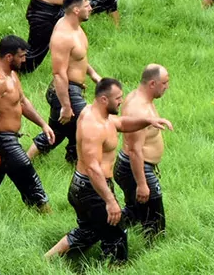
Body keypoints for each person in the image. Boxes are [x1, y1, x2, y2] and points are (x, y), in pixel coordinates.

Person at [45, 78, 172, 265]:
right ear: (104, 99)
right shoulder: (93, 125)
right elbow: (92, 167)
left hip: (85, 187)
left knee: (88, 231)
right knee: (116, 238)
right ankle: (113, 268)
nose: (121, 101)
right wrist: (111, 201)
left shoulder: (102, 115)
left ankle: (46, 260)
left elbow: (121, 123)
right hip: (91, 189)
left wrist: (148, 120)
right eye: (118, 98)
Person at [0, 36, 54, 216]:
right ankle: (46, 213)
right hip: (1, 140)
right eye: (21, 56)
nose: (24, 60)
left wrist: (43, 124)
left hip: (8, 139)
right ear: (9, 57)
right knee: (28, 173)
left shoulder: (12, 75)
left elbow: (22, 102)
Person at [28, 0, 102, 164]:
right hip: (65, 92)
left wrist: (93, 75)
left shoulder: (75, 26)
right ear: (76, 10)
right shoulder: (63, 36)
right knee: (89, 125)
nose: (91, 8)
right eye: (87, 6)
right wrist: (66, 106)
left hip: (72, 89)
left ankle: (26, 161)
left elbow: (78, 58)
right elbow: (59, 73)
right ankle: (78, 163)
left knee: (58, 132)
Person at [114, 64, 170, 238]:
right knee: (155, 221)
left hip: (133, 167)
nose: (167, 87)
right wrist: (142, 184)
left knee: (136, 212)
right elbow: (135, 150)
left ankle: (107, 230)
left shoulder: (140, 98)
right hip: (136, 168)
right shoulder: (138, 109)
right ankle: (155, 251)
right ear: (152, 83)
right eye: (165, 83)